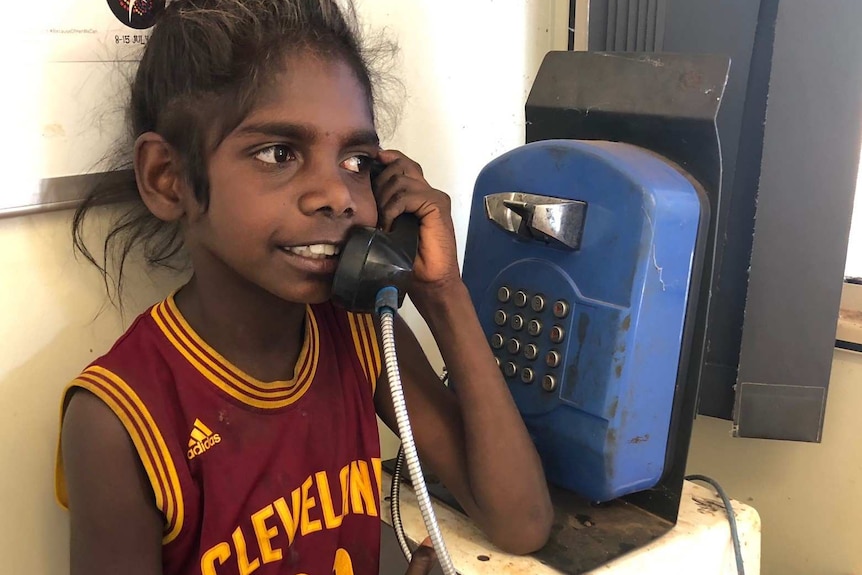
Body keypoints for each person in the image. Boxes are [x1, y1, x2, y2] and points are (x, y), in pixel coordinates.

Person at [56, 1, 554, 574]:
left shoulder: (362, 338)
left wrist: (441, 291)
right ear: (168, 179)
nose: (337, 195)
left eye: (355, 160)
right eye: (278, 153)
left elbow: (521, 521)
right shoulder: (123, 419)